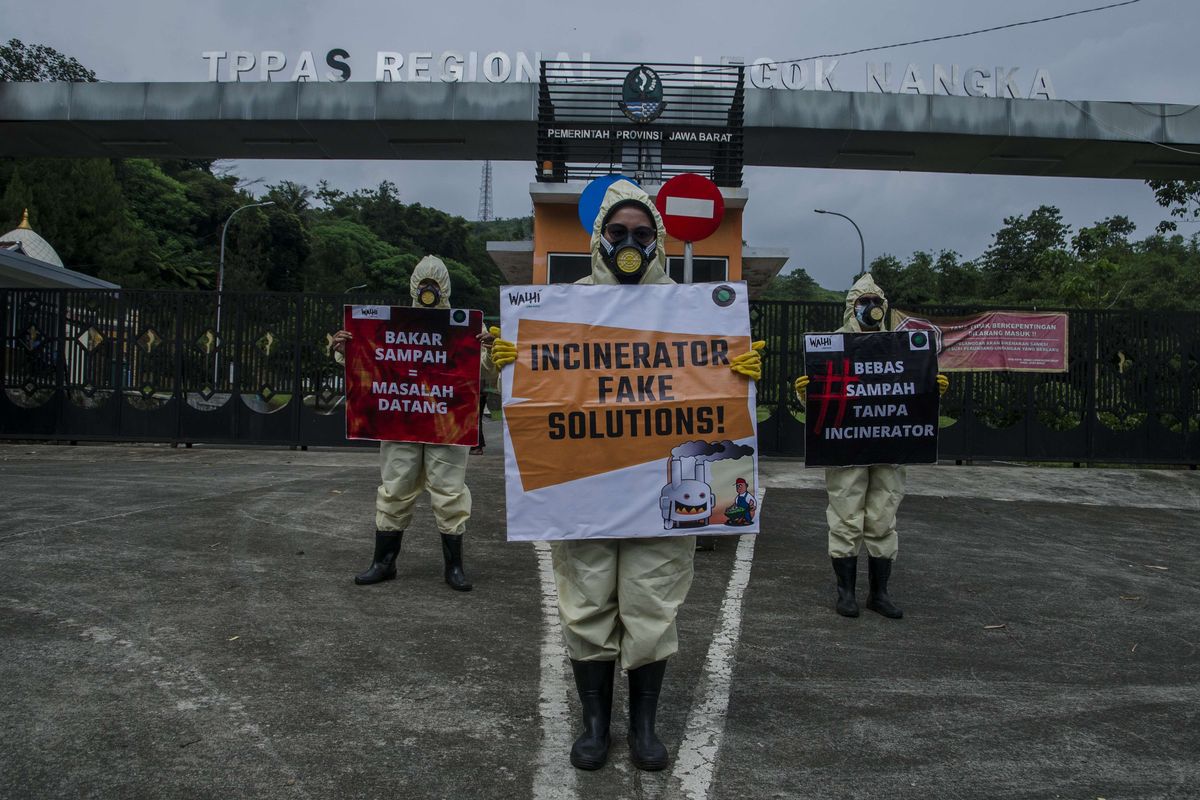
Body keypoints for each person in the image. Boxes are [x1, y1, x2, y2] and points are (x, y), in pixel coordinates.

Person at [485, 180, 763, 771]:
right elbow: (539, 407)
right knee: (586, 601)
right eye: (618, 233)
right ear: (599, 239)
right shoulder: (565, 304)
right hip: (584, 489)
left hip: (655, 494)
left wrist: (742, 376)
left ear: (657, 239)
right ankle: (593, 724)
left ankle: (642, 726)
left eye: (641, 233)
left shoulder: (688, 310)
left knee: (651, 604)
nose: (629, 243)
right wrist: (510, 366)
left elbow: (713, 405)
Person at [331, 255, 494, 593]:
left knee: (449, 493)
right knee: (395, 488)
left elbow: (487, 375)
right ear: (413, 286)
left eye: (434, 283)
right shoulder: (390, 325)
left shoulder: (466, 327)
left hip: (446, 425)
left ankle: (454, 566)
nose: (428, 289)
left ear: (445, 287)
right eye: (423, 283)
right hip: (401, 420)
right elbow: (369, 363)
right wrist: (345, 348)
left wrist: (490, 351)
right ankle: (384, 562)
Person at [794, 273, 948, 619]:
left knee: (883, 516)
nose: (871, 308)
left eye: (876, 302)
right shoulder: (833, 345)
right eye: (864, 302)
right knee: (846, 515)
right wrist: (808, 395)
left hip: (889, 446)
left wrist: (930, 391)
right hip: (846, 448)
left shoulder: (901, 347)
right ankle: (845, 593)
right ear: (852, 307)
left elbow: (912, 401)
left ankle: (880, 593)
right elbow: (826, 403)